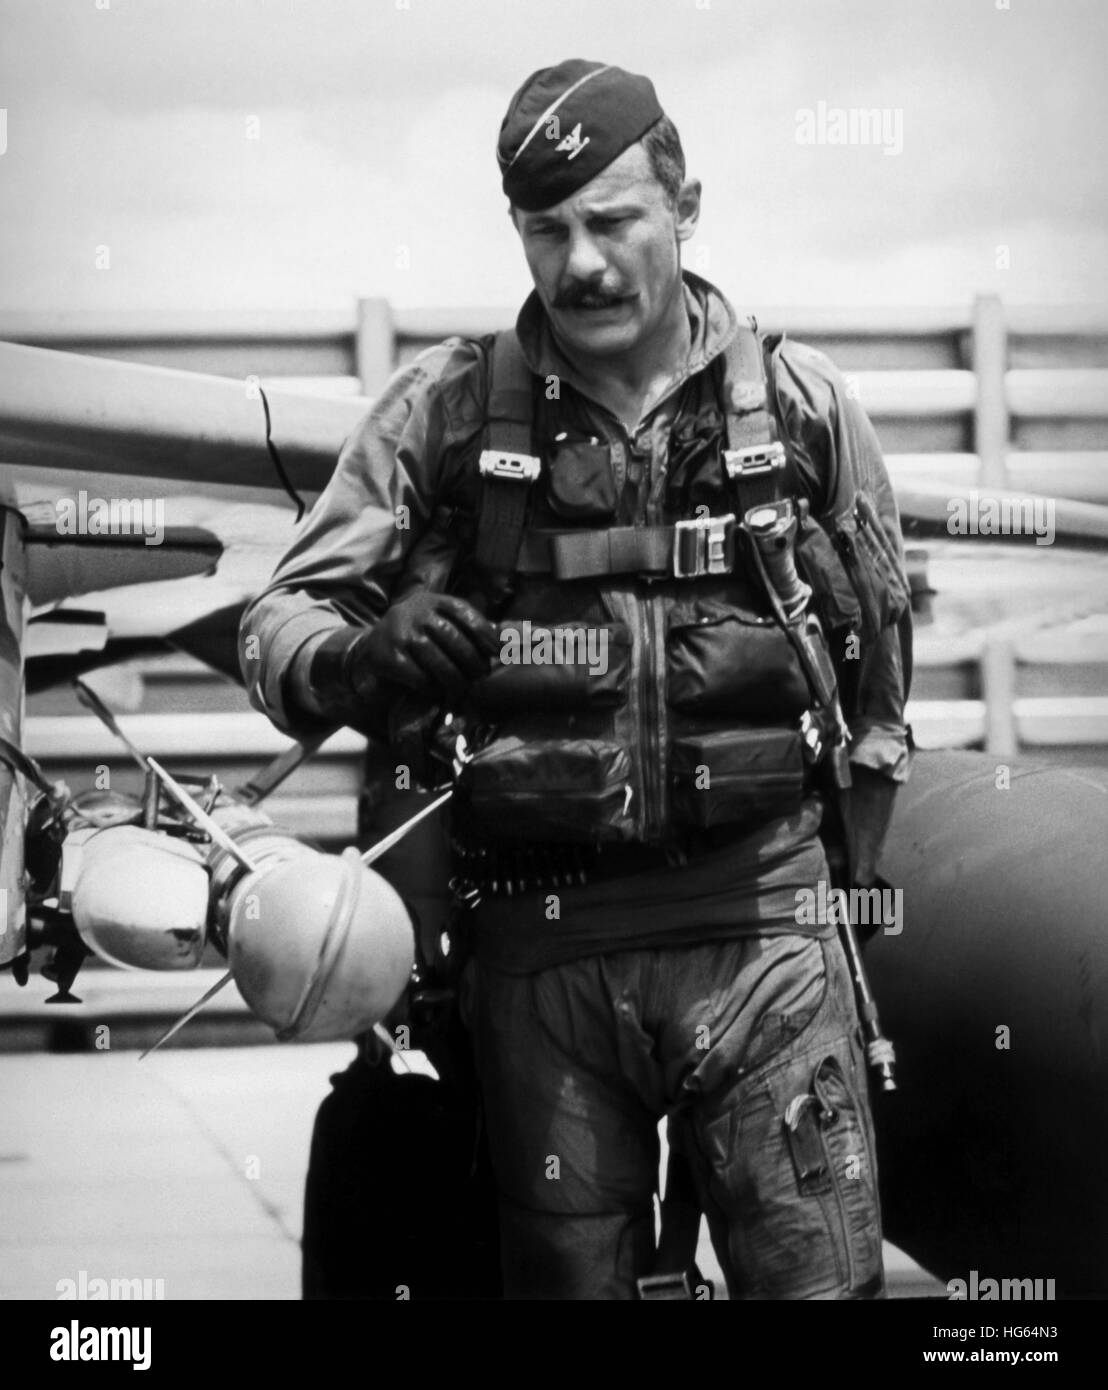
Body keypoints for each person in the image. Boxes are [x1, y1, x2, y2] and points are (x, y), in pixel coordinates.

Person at [241, 57, 913, 1301]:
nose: (582, 263)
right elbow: (277, 618)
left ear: (685, 204)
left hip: (763, 939)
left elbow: (879, 683)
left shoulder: (803, 410)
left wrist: (851, 901)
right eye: (547, 230)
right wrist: (354, 655)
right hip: (541, 964)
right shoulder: (445, 411)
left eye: (612, 220)